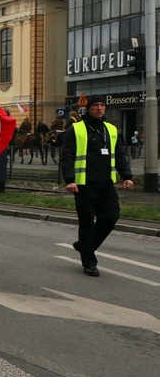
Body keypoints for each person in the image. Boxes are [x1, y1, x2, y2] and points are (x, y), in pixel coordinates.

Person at [59, 95, 133, 277]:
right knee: (87, 222)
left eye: (102, 105)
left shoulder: (111, 130)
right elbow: (67, 156)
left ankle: (84, 245)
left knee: (111, 217)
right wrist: (69, 179)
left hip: (106, 184)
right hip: (84, 185)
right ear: (88, 108)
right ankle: (89, 263)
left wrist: (127, 176)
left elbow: (120, 155)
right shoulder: (76, 130)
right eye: (95, 105)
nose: (99, 108)